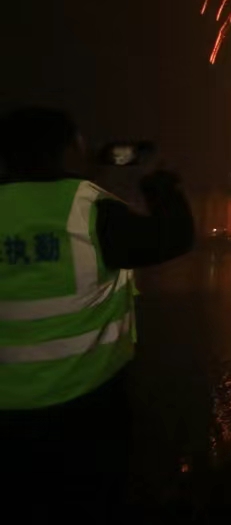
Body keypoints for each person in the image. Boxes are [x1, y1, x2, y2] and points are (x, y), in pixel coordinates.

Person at [0, 107, 196, 521]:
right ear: (70, 152)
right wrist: (159, 178)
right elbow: (173, 236)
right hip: (86, 406)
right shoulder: (90, 211)